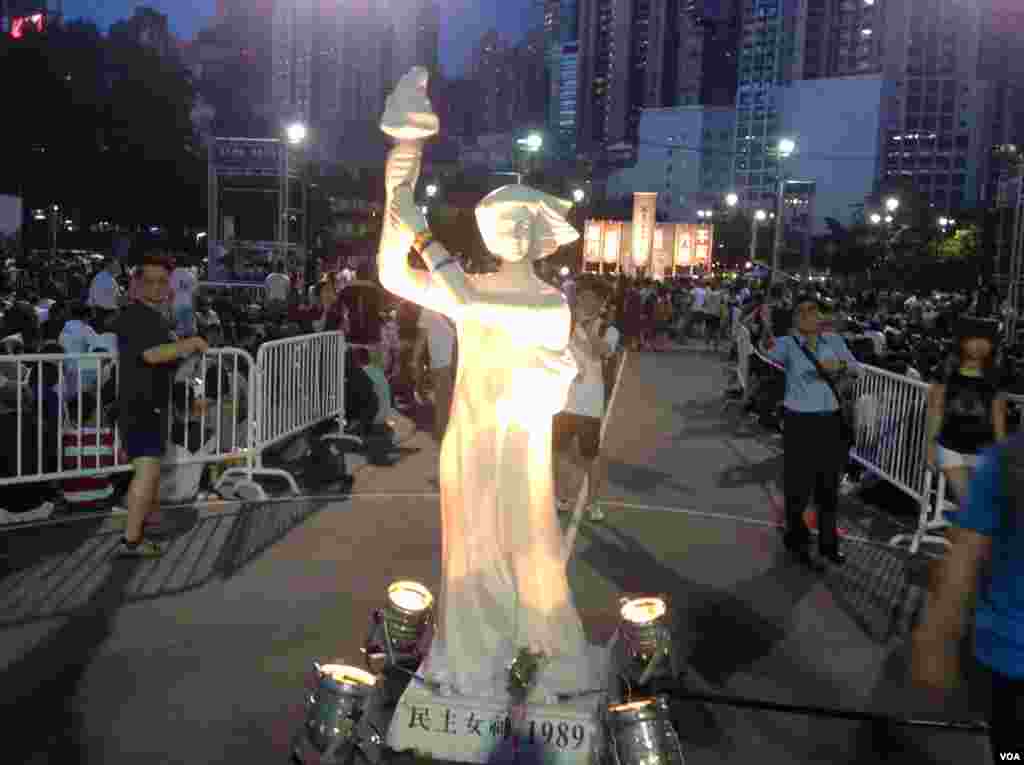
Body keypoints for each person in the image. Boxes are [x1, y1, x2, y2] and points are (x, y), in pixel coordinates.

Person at [376, 66, 604, 701]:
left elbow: (471, 308)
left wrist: (421, 228)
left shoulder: (546, 307)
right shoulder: (466, 290)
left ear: (544, 237)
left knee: (524, 544)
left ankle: (531, 652)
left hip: (518, 445)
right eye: (506, 221)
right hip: (469, 439)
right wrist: (403, 160)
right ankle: (469, 650)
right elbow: (391, 273)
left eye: (527, 222)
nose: (516, 231)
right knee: (468, 549)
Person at [911, 433, 1024, 764]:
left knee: (1011, 750)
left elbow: (964, 559)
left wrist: (936, 636)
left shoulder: (1005, 462)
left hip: (1008, 650)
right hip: (1007, 646)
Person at [110, 255, 208, 557]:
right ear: (137, 284)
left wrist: (185, 361)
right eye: (148, 281)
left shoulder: (155, 318)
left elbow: (165, 364)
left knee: (148, 471)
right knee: (148, 470)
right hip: (140, 405)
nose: (156, 286)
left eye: (162, 281)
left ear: (169, 286)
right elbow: (150, 356)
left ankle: (145, 519)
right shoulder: (135, 316)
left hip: (150, 404)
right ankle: (132, 539)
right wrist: (189, 344)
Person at [764, 294, 860, 570]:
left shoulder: (834, 341)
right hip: (799, 423)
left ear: (819, 316)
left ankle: (829, 545)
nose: (808, 316)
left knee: (828, 487)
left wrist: (839, 366)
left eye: (812, 311)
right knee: (798, 486)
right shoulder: (788, 345)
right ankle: (797, 541)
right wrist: (767, 326)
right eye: (801, 312)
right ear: (795, 319)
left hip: (829, 422)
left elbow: (857, 368)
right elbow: (765, 350)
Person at [926, 318, 1006, 505]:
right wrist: (930, 446)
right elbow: (936, 409)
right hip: (951, 446)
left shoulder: (994, 374)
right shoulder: (948, 370)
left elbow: (998, 414)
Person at [554, 285, 616, 521]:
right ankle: (562, 496)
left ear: (600, 302)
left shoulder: (608, 328)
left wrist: (586, 329)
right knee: (559, 452)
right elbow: (555, 352)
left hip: (590, 404)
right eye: (582, 297)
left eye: (590, 298)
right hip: (565, 401)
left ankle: (593, 503)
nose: (584, 302)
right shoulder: (566, 325)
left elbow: (601, 352)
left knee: (590, 457)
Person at [415, 306, 456, 442]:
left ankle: (442, 435)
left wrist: (415, 359)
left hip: (440, 363)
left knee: (442, 403)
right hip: (456, 362)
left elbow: (422, 338)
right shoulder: (454, 305)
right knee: (452, 402)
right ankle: (449, 434)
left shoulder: (428, 308)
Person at [87, 259, 122, 331]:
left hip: (104, 313)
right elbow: (113, 299)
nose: (118, 267)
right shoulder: (104, 278)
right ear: (109, 265)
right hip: (105, 314)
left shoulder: (106, 277)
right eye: (116, 265)